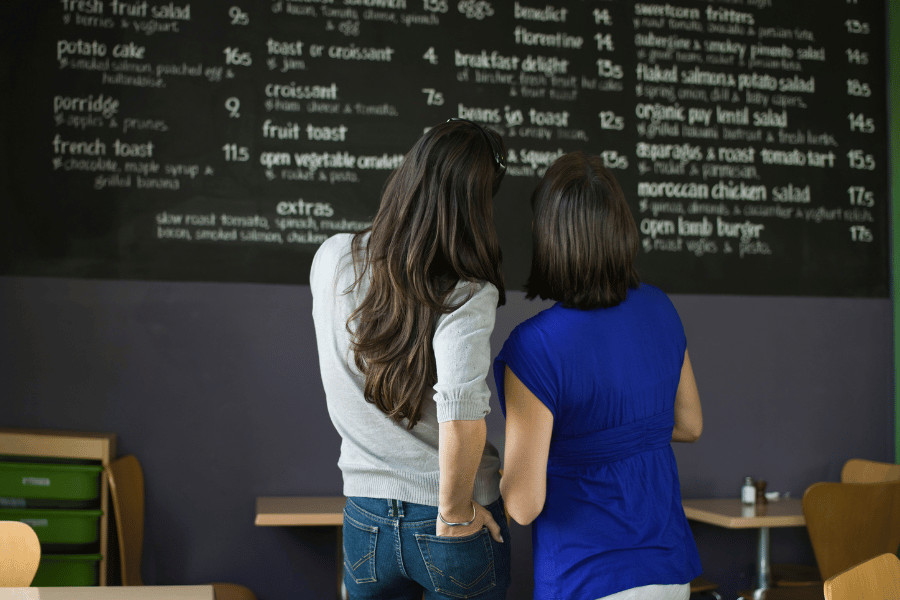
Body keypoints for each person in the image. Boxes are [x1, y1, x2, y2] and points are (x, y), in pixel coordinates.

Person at [310, 119, 512, 600]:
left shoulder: (334, 257)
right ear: (475, 206)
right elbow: (461, 419)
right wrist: (454, 513)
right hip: (448, 513)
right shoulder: (467, 293)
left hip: (365, 517)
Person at [494, 151, 703, 600]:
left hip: (585, 578)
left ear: (549, 236)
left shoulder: (535, 346)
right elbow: (689, 424)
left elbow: (523, 505)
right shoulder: (660, 308)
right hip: (670, 571)